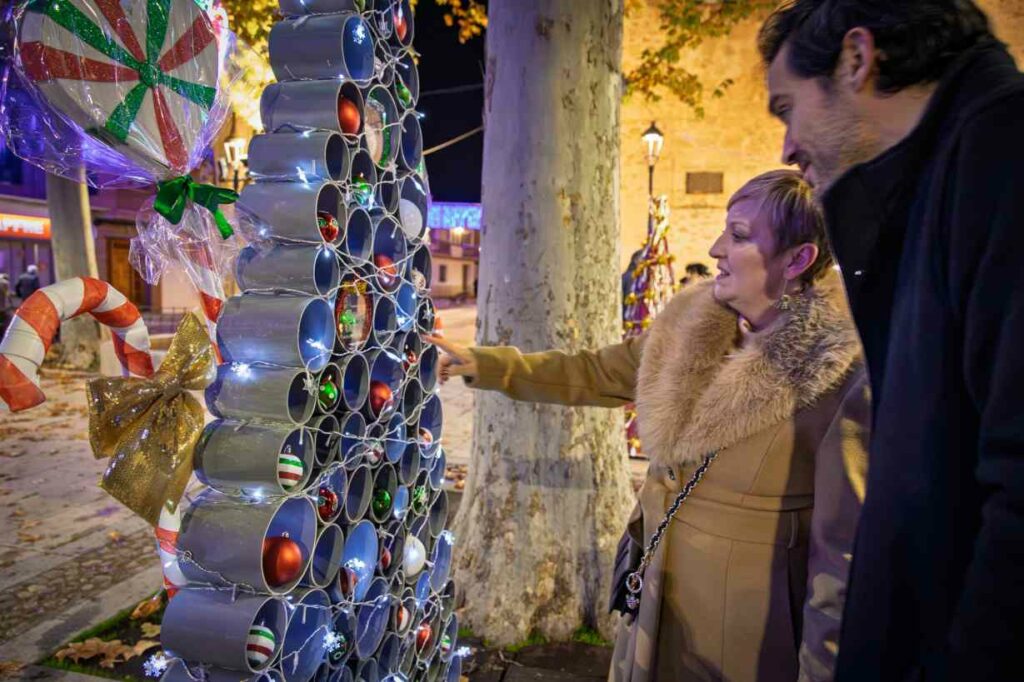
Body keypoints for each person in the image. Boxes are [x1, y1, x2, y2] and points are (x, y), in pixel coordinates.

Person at [430, 170, 870, 681]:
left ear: (797, 260)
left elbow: (842, 560)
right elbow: (593, 372)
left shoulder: (840, 372)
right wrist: (486, 364)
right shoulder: (690, 325)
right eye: (724, 230)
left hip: (746, 639)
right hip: (656, 602)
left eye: (740, 236)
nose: (715, 248)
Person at [758, 2, 1024, 679]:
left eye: (787, 108)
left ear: (856, 59)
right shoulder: (945, 178)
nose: (786, 146)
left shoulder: (1000, 160)